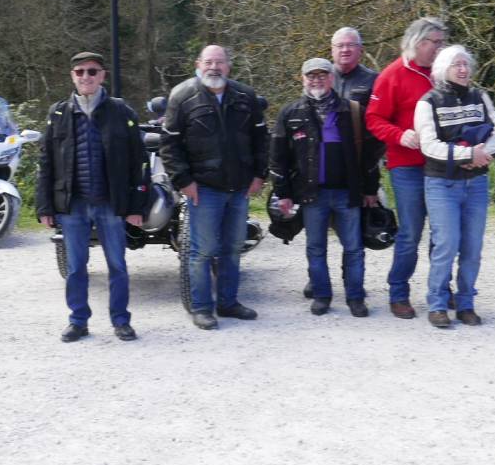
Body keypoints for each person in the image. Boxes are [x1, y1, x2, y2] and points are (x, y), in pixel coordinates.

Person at [35, 51, 150, 342]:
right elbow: (46, 163)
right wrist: (45, 206)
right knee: (75, 268)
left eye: (92, 71)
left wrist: (137, 206)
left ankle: (121, 321)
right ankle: (78, 321)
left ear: (102, 76)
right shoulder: (58, 114)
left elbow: (139, 162)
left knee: (117, 266)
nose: (86, 76)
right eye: (80, 71)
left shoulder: (122, 112)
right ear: (72, 76)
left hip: (111, 204)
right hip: (73, 205)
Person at [160, 45, 270, 330]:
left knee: (233, 248)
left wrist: (260, 175)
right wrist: (184, 181)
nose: (214, 67)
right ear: (198, 64)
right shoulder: (182, 96)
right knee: (202, 251)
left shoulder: (245, 96)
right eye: (208, 62)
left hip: (239, 187)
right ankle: (201, 308)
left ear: (228, 66)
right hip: (203, 189)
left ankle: (228, 303)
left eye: (219, 62)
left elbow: (261, 139)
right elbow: (169, 145)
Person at [270, 58, 381, 317]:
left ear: (332, 78)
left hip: (347, 193)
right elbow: (278, 157)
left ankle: (355, 297)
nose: (316, 80)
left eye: (322, 75)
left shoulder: (353, 111)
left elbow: (370, 155)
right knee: (316, 248)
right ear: (302, 79)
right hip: (312, 195)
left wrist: (370, 189)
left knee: (353, 248)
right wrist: (283, 193)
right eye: (311, 76)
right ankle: (322, 295)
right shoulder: (291, 113)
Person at [414, 45, 495, 328]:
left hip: (476, 183)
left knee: (472, 247)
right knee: (446, 244)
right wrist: (467, 154)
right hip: (442, 184)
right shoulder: (428, 102)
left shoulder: (480, 96)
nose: (463, 69)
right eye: (457, 64)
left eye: (466, 64)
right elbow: (429, 145)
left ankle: (466, 304)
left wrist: (481, 154)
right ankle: (438, 304)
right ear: (444, 68)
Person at [366, 16, 448, 319]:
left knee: (443, 232)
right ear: (418, 42)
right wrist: (400, 135)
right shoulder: (393, 75)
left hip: (442, 165)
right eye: (435, 42)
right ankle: (398, 293)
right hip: (407, 166)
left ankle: (441, 290)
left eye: (442, 42)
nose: (440, 48)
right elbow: (373, 118)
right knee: (411, 232)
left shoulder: (444, 73)